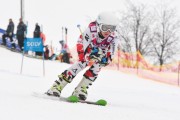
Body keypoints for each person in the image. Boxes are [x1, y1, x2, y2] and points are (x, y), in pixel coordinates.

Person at [46, 11, 119, 100]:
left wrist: (106, 60)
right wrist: (88, 54)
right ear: (99, 25)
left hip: (100, 51)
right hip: (84, 46)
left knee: (97, 67)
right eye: (105, 28)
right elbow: (84, 47)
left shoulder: (114, 37)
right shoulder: (92, 30)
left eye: (112, 28)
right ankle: (57, 86)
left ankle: (80, 89)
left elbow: (111, 52)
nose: (108, 31)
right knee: (82, 63)